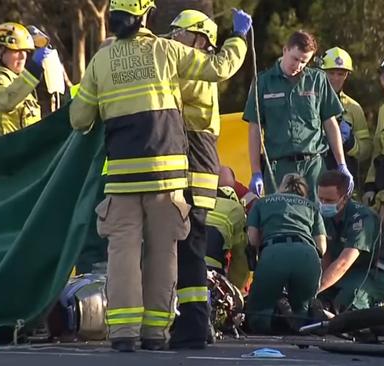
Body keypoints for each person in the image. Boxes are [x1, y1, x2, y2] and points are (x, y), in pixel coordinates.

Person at [69, 0, 252, 352]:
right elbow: (219, 67)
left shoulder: (100, 60)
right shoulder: (166, 51)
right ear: (146, 16)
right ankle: (155, 333)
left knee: (122, 252)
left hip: (122, 177)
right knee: (163, 252)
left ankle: (123, 334)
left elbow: (79, 120)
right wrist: (239, 38)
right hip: (166, 177)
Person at [167, 9, 229, 349]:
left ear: (200, 39)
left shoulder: (195, 68)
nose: (174, 39)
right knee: (189, 247)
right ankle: (198, 322)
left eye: (181, 34)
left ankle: (192, 327)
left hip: (195, 159)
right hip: (197, 157)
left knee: (189, 246)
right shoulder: (193, 63)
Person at [244, 31, 353, 200]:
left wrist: (341, 164)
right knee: (283, 220)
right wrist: (256, 171)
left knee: (318, 219)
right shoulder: (263, 83)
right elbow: (254, 129)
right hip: (279, 167)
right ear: (285, 50)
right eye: (295, 59)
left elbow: (330, 124)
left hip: (313, 166)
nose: (298, 65)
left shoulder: (318, 80)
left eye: (304, 61)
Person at [245, 174, 327, 334]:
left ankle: (276, 318)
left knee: (258, 312)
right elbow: (322, 247)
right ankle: (309, 317)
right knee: (302, 308)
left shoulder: (262, 203)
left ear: (280, 187)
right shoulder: (311, 206)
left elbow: (253, 239)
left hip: (274, 252)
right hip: (307, 254)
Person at [316, 170, 384, 313]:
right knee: (316, 301)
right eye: (320, 199)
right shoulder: (325, 218)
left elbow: (344, 262)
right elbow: (326, 257)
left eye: (329, 201)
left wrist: (317, 287)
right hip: (341, 274)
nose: (323, 205)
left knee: (348, 301)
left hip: (372, 273)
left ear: (345, 198)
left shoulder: (363, 218)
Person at [0, 22, 51, 139]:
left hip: (20, 150)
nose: (23, 56)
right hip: (1, 151)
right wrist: (32, 71)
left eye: (26, 51)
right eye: (17, 51)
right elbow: (5, 102)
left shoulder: (20, 82)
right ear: (0, 51)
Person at [320, 47, 373, 193]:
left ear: (347, 75)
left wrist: (351, 143)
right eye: (331, 73)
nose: (335, 78)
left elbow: (367, 150)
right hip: (316, 178)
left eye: (340, 74)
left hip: (342, 183)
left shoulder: (353, 108)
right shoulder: (310, 102)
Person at [205, 167, 249, 292]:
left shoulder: (191, 199)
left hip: (180, 267)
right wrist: (235, 290)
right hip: (212, 271)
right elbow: (240, 258)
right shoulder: (236, 209)